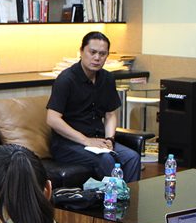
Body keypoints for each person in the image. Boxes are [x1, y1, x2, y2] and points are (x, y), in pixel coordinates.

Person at [46, 31, 141, 182]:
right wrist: (85, 140)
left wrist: (109, 139)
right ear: (81, 52)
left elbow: (110, 115)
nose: (97, 58)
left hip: (98, 141)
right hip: (68, 144)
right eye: (92, 52)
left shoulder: (107, 78)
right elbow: (52, 119)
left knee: (132, 157)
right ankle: (113, 196)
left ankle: (129, 196)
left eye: (102, 54)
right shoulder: (66, 79)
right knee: (106, 159)